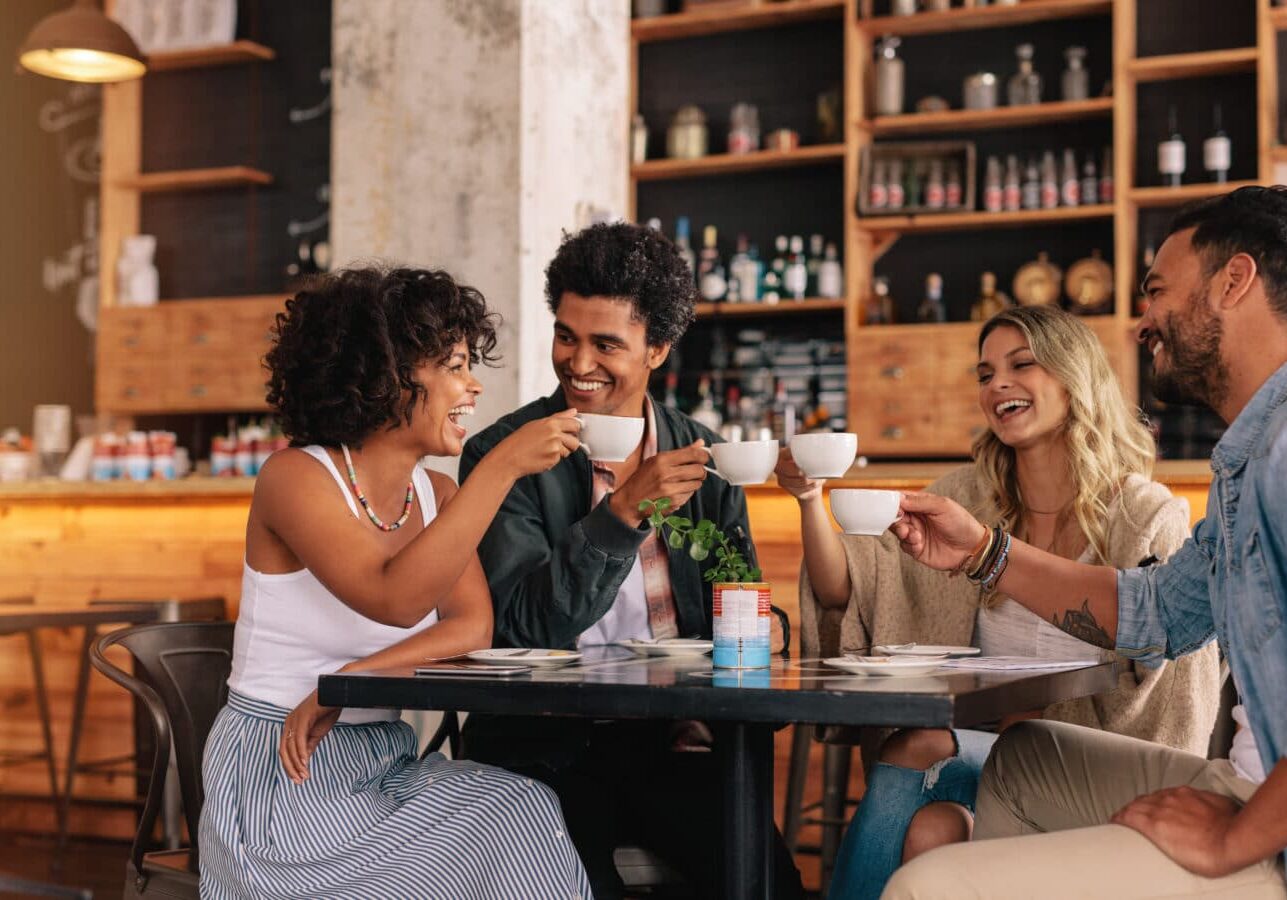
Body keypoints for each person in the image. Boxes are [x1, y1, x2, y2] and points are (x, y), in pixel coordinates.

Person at [882, 185, 1287, 898]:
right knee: (1022, 756)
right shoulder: (1245, 461)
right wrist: (985, 552)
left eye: (1157, 291)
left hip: (1270, 830)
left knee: (926, 884)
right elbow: (1154, 613)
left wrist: (1235, 836)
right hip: (1259, 790)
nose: (1140, 322)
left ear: (1234, 281)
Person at [778, 305, 1220, 899]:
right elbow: (851, 590)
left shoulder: (1144, 517)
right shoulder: (964, 498)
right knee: (923, 782)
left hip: (1093, 769)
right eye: (985, 374)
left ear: (1073, 376)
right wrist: (809, 498)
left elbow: (1175, 698)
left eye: (1021, 364)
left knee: (929, 800)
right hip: (990, 753)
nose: (998, 384)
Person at [198, 266, 593, 899]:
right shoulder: (296, 478)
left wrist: (348, 684)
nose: (473, 386)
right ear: (391, 373)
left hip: (382, 758)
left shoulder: (436, 495)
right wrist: (502, 468)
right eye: (456, 366)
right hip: (282, 770)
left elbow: (473, 627)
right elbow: (395, 599)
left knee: (523, 810)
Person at [458, 222, 804, 900]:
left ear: (658, 350)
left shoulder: (703, 455)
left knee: (767, 887)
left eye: (605, 344)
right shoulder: (506, 454)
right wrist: (619, 518)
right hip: (543, 747)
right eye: (566, 335)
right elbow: (520, 628)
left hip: (672, 742)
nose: (577, 362)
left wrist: (755, 647)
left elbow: (738, 597)